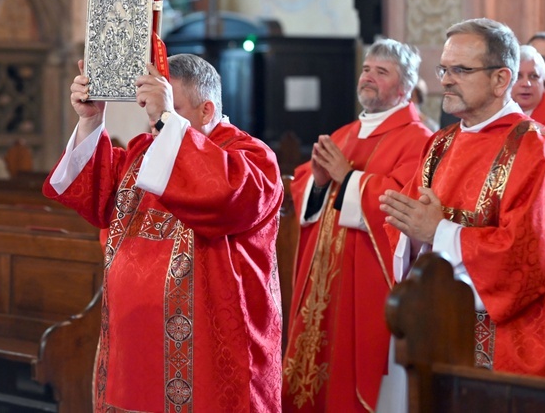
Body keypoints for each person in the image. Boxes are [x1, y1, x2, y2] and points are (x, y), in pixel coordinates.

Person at [42, 54, 284, 411]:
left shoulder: (250, 159)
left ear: (206, 110)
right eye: (153, 111)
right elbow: (91, 194)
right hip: (133, 346)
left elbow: (225, 194)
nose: (156, 124)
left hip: (208, 357)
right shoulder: (146, 151)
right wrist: (92, 120)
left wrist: (167, 121)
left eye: (170, 109)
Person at [380, 18, 545, 381]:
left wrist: (438, 231)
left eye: (460, 70)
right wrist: (411, 233)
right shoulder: (440, 144)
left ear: (501, 79)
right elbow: (408, 233)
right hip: (438, 330)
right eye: (443, 68)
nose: (445, 80)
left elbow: (529, 259)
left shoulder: (538, 149)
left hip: (505, 343)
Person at [282, 38, 433, 412]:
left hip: (366, 287)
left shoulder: (419, 140)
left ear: (405, 88)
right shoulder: (345, 133)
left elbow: (404, 206)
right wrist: (318, 182)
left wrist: (348, 177)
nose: (368, 77)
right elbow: (306, 191)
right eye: (367, 69)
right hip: (324, 284)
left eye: (381, 72)